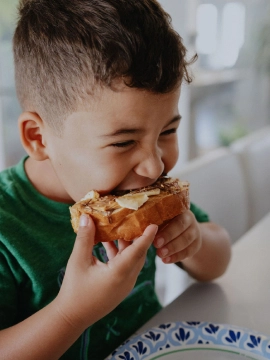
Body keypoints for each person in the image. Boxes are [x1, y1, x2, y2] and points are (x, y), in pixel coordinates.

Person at [0, 0, 231, 359]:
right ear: (38, 138)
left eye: (167, 131)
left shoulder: (141, 194)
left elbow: (220, 260)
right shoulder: (6, 226)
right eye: (123, 142)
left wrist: (194, 241)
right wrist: (71, 312)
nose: (154, 166)